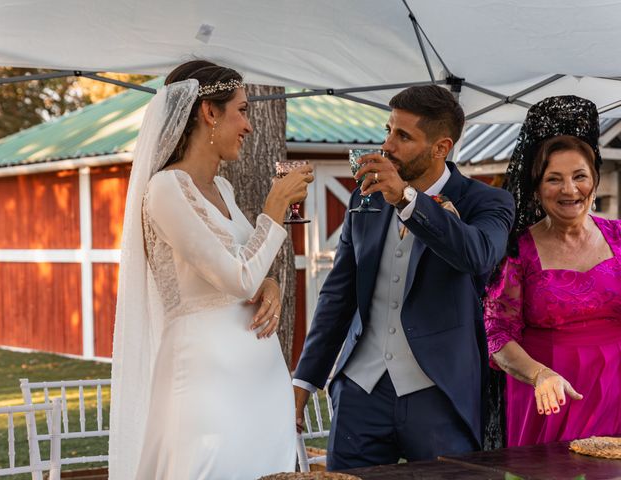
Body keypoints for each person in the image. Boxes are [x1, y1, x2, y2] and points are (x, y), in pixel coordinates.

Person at [108, 60, 314, 480]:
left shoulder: (222, 188)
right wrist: (274, 207)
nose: (249, 126)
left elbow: (245, 270)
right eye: (241, 110)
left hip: (260, 388)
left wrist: (272, 282)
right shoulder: (166, 189)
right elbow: (236, 278)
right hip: (207, 387)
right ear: (208, 113)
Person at [292, 85, 515, 470]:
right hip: (361, 390)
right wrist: (304, 382)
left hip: (438, 393)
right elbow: (338, 295)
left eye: (403, 136)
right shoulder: (366, 197)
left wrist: (409, 201)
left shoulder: (488, 201)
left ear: (440, 148)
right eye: (388, 130)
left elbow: (478, 255)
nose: (387, 145)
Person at [484, 95, 621, 447]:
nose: (569, 189)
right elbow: (497, 335)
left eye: (579, 176)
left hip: (616, 390)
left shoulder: (619, 237)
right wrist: (539, 375)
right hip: (548, 396)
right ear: (537, 188)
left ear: (594, 182)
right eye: (554, 179)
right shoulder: (517, 251)